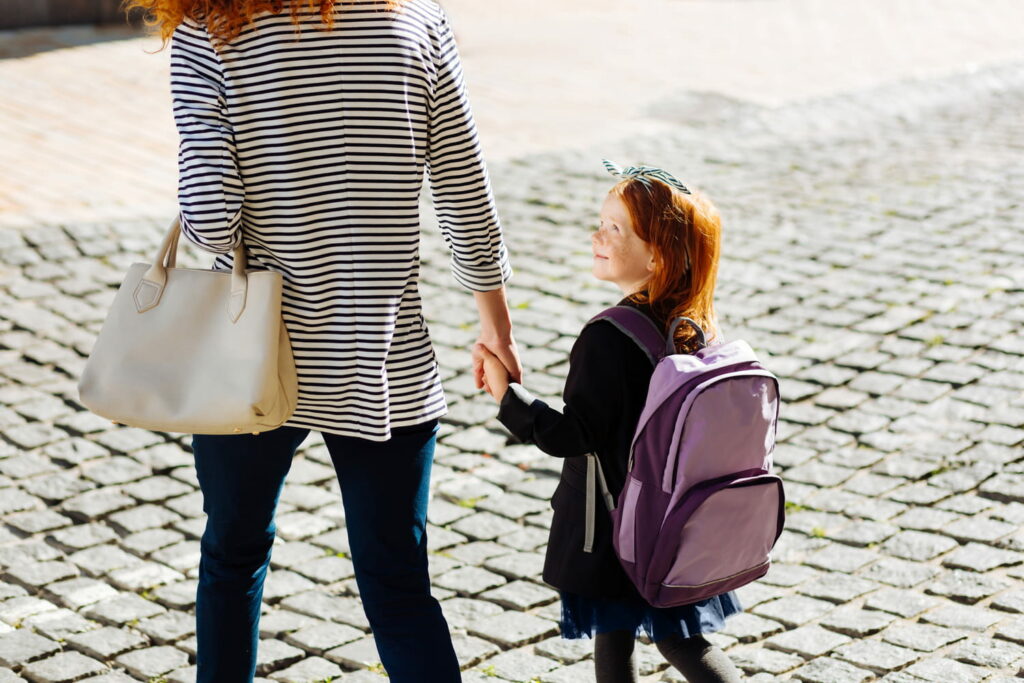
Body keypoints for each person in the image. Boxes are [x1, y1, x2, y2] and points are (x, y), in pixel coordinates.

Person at [127, 0, 522, 680]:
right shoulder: (416, 19)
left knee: (231, 557)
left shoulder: (207, 34)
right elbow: (463, 182)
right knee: (399, 588)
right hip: (384, 356)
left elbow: (214, 224)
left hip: (249, 354)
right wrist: (496, 325)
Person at [477, 161, 743, 683]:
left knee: (620, 640)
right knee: (680, 639)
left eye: (614, 228)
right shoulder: (692, 327)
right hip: (673, 521)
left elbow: (573, 435)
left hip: (616, 523)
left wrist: (507, 395)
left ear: (657, 255)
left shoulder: (607, 337)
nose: (596, 235)